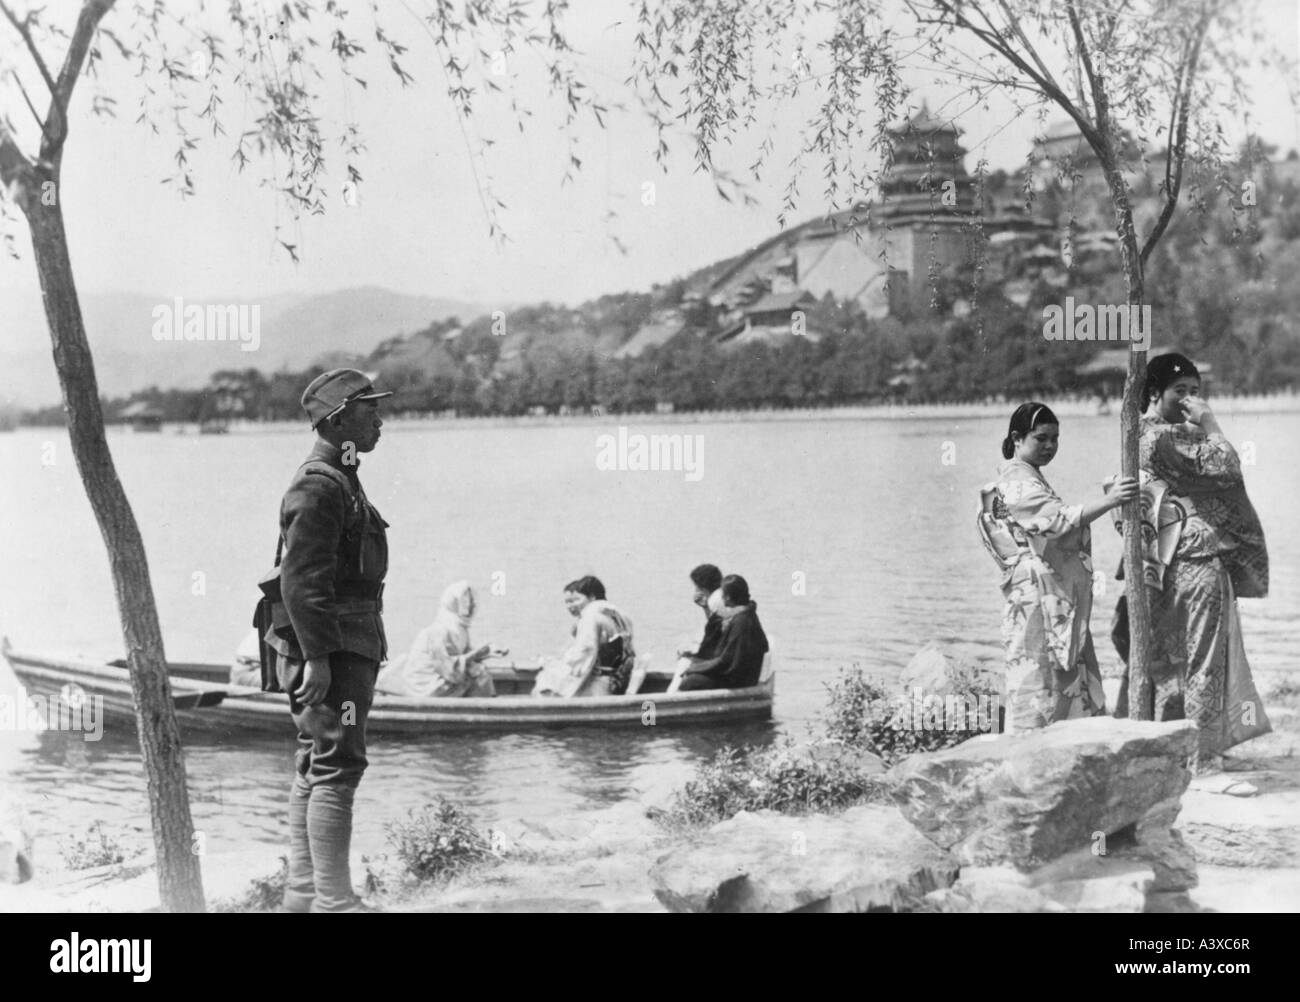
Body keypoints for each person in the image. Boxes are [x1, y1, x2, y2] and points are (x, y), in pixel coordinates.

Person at [263, 368, 391, 913]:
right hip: (331, 648)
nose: (380, 420)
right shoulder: (319, 484)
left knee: (317, 761)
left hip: (342, 642)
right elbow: (301, 580)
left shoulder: (341, 475)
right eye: (370, 410)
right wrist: (316, 659)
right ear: (339, 419)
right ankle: (335, 904)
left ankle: (303, 898)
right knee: (337, 764)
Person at [1113, 353, 1271, 772]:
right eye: (1179, 392)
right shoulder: (1167, 438)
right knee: (1203, 659)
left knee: (1167, 658)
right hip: (1195, 559)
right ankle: (1200, 757)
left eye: (1196, 393)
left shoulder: (1139, 436)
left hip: (1156, 563)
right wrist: (1210, 420)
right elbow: (1229, 465)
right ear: (1153, 394)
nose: (1189, 400)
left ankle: (1163, 750)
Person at [976, 402, 1138, 732]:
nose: (1050, 446)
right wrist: (1110, 501)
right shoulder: (1016, 483)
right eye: (1041, 438)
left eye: (1055, 438)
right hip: (1036, 593)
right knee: (1039, 668)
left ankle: (1062, 740)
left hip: (1045, 589)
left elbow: (1057, 522)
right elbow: (1059, 521)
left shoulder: (1028, 478)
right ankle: (1036, 744)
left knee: (1052, 667)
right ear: (1017, 439)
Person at [375, 580, 501, 697]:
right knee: (479, 676)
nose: (470, 606)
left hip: (444, 674)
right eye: (466, 601)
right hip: (426, 684)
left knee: (480, 672)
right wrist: (479, 653)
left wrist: (487, 653)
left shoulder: (461, 629)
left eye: (471, 601)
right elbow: (448, 668)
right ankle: (485, 712)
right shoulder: (439, 631)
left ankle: (486, 711)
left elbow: (465, 657)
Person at [532, 576, 636, 697]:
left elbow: (584, 653)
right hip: (622, 680)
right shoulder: (620, 614)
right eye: (567, 602)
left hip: (599, 685)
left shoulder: (590, 616)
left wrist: (556, 673)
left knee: (543, 684)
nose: (571, 606)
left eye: (576, 600)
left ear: (592, 597)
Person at [674, 574, 770, 691]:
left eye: (723, 594)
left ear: (728, 597)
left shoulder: (741, 622)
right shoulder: (746, 615)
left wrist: (695, 668)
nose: (721, 597)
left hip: (739, 681)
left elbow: (726, 662)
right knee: (692, 671)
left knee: (690, 682)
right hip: (740, 675)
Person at [677, 563, 724, 660]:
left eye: (697, 587)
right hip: (718, 654)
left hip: (718, 660)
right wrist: (705, 607)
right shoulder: (720, 600)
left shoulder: (719, 603)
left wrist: (693, 654)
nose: (695, 590)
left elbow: (714, 636)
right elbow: (713, 627)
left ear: (703, 588)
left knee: (684, 660)